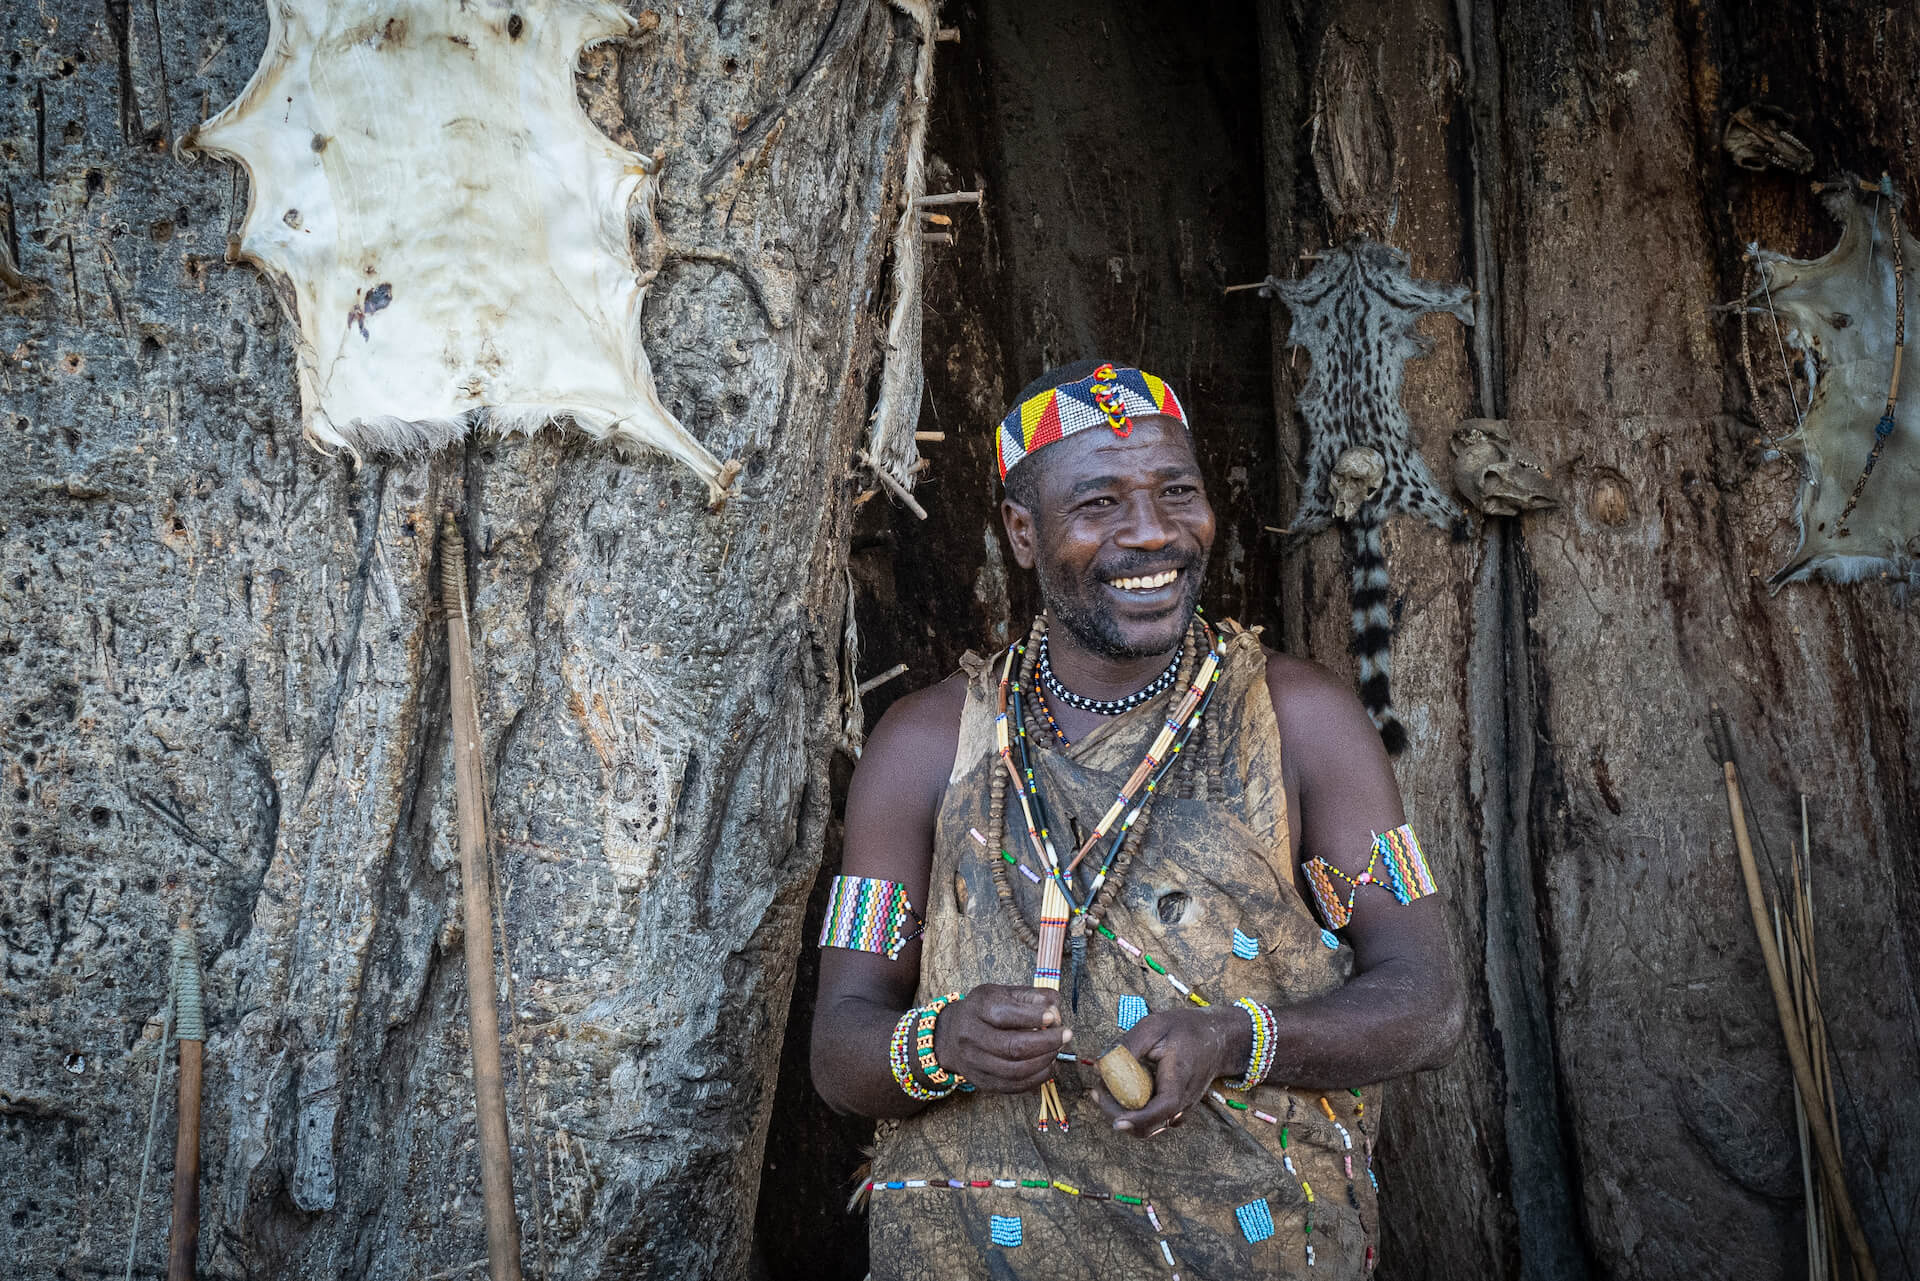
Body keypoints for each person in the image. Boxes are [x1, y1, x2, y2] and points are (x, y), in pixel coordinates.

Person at [811, 360, 1463, 1278]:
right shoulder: (923, 746)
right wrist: (943, 1041)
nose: (1152, 533)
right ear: (1023, 533)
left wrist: (1235, 1038)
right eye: (1100, 504)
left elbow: (1429, 1000)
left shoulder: (1301, 722)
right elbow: (840, 1049)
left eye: (1176, 492)